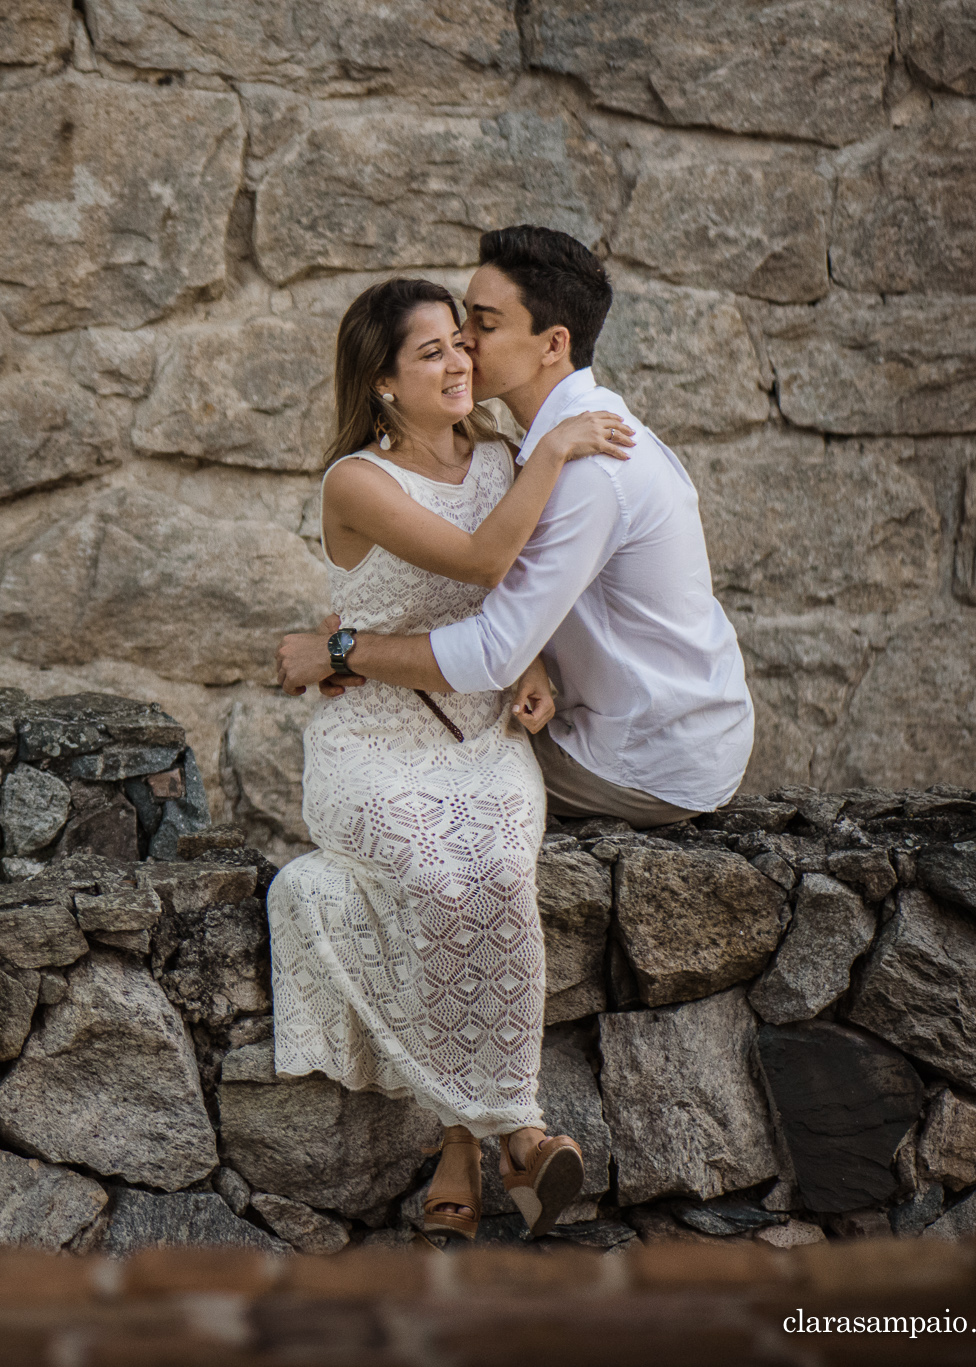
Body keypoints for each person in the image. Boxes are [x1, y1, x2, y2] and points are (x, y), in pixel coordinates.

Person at [265, 274, 634, 1242]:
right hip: (369, 742)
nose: (458, 361)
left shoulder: (501, 455)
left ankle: (461, 1147)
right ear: (382, 383)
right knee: (433, 870)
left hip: (480, 738)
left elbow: (516, 602)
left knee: (497, 872)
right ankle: (515, 1130)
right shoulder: (355, 480)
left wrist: (539, 667)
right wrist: (554, 447)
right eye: (429, 352)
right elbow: (478, 561)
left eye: (458, 345)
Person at [276, 225, 755, 829]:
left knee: (438, 780)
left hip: (645, 756)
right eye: (456, 331)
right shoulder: (539, 450)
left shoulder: (585, 470)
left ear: (552, 344)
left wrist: (341, 653)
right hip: (658, 724)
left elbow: (494, 648)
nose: (464, 347)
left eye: (483, 325)